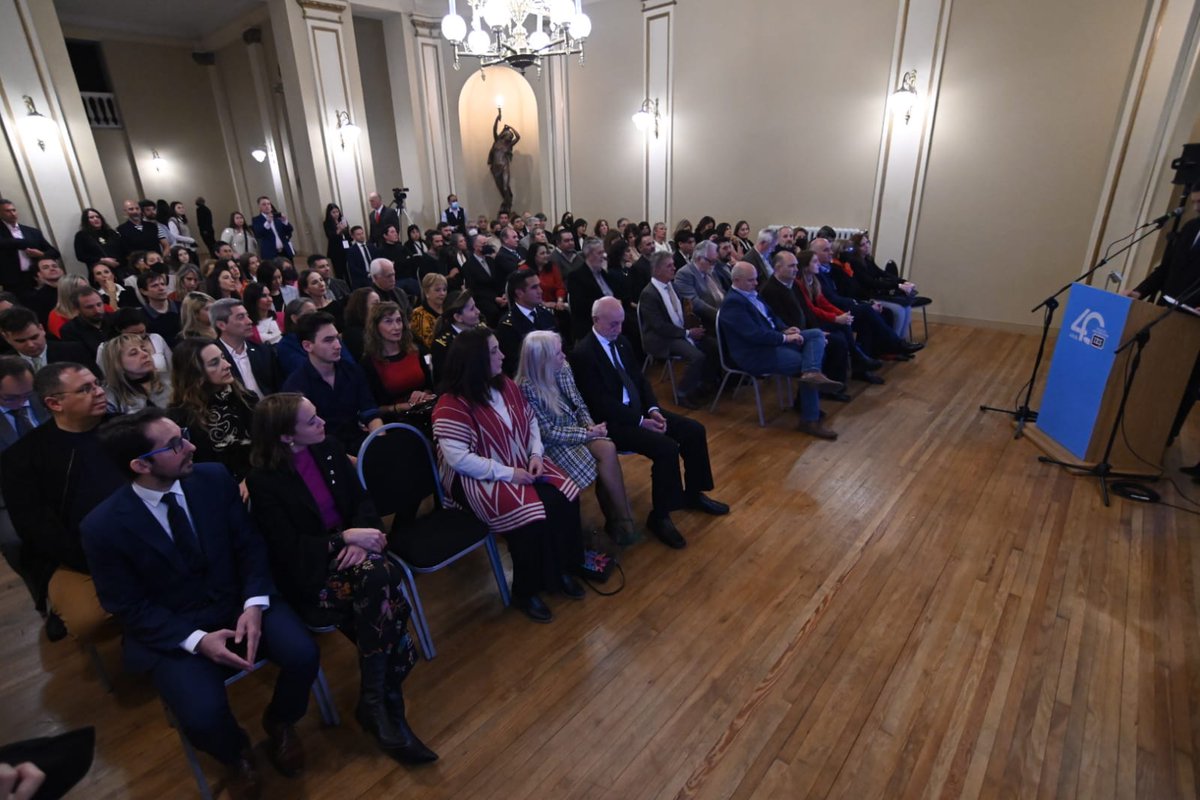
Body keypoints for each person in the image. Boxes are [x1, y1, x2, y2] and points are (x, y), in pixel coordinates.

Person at [81, 408, 320, 798]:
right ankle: (236, 753)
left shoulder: (212, 478)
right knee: (202, 714)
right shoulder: (102, 528)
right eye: (175, 445)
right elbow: (127, 606)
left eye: (184, 434)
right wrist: (195, 640)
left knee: (303, 654)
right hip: (175, 627)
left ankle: (280, 721)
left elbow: (249, 545)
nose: (191, 446)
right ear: (140, 465)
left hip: (239, 601)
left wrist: (254, 603)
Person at [245, 394, 436, 762]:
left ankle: (378, 702)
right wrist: (343, 539)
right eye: (312, 421)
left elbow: (361, 501)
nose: (323, 424)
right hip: (312, 572)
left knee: (375, 577)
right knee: (383, 581)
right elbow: (287, 550)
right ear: (287, 436)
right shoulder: (264, 480)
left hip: (357, 555)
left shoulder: (328, 449)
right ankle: (381, 700)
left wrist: (362, 533)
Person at [433, 328, 583, 622]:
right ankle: (525, 591)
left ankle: (560, 569)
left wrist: (536, 455)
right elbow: (460, 459)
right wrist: (509, 474)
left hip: (519, 460)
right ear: (474, 360)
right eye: (493, 351)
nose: (502, 355)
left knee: (565, 496)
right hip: (477, 476)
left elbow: (531, 423)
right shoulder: (451, 404)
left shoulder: (506, 386)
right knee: (527, 516)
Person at [570, 297, 728, 549]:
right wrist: (641, 421)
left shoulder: (621, 341)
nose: (619, 329)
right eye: (613, 324)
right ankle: (661, 516)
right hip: (612, 423)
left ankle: (693, 493)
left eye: (621, 323)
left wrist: (653, 409)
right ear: (595, 321)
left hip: (639, 411)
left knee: (693, 430)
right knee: (666, 448)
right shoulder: (583, 353)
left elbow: (640, 381)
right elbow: (600, 403)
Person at [1, 362, 123, 631]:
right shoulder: (21, 458)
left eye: (97, 384)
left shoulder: (123, 428)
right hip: (79, 555)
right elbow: (38, 529)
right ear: (55, 404)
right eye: (85, 389)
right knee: (88, 619)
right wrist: (98, 559)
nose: (99, 392)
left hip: (142, 535)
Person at [517, 331, 638, 544]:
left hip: (577, 429)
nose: (564, 355)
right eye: (557, 353)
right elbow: (548, 433)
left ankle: (622, 517)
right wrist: (588, 433)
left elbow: (579, 403)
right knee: (602, 457)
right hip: (553, 445)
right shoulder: (526, 388)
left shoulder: (563, 368)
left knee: (607, 449)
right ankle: (614, 522)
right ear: (542, 359)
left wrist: (590, 425)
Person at [719, 263, 842, 439]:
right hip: (754, 354)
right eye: (751, 280)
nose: (756, 283)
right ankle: (810, 419)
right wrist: (784, 338)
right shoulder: (733, 303)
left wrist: (785, 329)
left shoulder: (751, 294)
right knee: (804, 363)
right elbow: (754, 335)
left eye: (756, 278)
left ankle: (812, 375)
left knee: (816, 335)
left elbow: (771, 317)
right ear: (736, 280)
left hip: (771, 342)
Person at [759, 249, 858, 394]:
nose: (796, 270)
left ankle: (833, 385)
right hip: (791, 334)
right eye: (791, 266)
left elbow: (807, 312)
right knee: (836, 343)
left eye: (796, 265)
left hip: (805, 331)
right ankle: (827, 389)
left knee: (838, 336)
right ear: (778, 268)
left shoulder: (793, 284)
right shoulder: (769, 290)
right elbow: (781, 321)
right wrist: (813, 333)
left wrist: (817, 330)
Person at [281, 312, 381, 453]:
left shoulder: (352, 371)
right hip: (323, 453)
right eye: (328, 340)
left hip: (360, 443)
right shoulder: (295, 386)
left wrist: (379, 439)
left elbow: (369, 410)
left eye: (337, 338)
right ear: (308, 346)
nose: (337, 345)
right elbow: (306, 438)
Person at [169, 337, 258, 485]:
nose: (227, 365)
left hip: (258, 478)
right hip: (218, 487)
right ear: (195, 373)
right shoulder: (180, 417)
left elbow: (267, 446)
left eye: (223, 358)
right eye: (214, 363)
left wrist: (251, 479)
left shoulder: (247, 399)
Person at [638, 251, 718, 409]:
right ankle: (683, 393)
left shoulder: (672, 286)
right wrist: (687, 333)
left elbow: (682, 311)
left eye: (673, 264)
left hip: (678, 332)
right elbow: (659, 326)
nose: (674, 268)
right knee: (696, 356)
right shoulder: (649, 294)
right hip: (661, 338)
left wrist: (692, 325)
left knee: (713, 346)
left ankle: (704, 385)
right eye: (669, 266)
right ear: (658, 270)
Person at [0, 357, 48, 595]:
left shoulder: (43, 399)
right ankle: (40, 593)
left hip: (55, 478)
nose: (21, 403)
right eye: (10, 399)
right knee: (13, 542)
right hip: (7, 494)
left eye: (27, 394)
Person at [361, 302, 435, 429]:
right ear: (376, 327)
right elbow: (372, 407)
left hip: (426, 410)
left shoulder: (416, 350)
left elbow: (430, 384)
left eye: (398, 321)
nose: (396, 327)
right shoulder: (369, 362)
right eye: (388, 322)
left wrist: (424, 394)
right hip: (396, 421)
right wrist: (400, 407)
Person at [212, 298, 282, 398]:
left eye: (247, 316)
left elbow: (278, 388)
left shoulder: (263, 351)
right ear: (221, 325)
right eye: (240, 317)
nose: (249, 321)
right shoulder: (213, 357)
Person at [0, 307, 96, 374]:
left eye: (34, 337)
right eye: (21, 341)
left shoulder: (74, 351)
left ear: (41, 329)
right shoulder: (3, 365)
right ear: (6, 338)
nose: (30, 345)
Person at [496, 268, 556, 375]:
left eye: (539, 286)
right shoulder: (508, 325)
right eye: (534, 287)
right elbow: (514, 364)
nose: (540, 291)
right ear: (519, 293)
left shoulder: (546, 314)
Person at [99, 333, 172, 413]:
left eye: (144, 349)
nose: (145, 354)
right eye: (134, 353)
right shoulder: (110, 397)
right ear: (117, 364)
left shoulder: (170, 381)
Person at [0, 198, 60, 292]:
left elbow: (55, 253)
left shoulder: (32, 232)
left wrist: (41, 254)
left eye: (14, 210)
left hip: (36, 277)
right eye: (7, 211)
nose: (12, 214)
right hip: (12, 281)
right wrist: (24, 242)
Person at [566, 239, 618, 340]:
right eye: (600, 253)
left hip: (612, 321)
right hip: (592, 325)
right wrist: (606, 306)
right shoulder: (576, 277)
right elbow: (580, 307)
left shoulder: (604, 274)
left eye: (603, 252)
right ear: (589, 254)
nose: (604, 256)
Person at [430, 290, 483, 380]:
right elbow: (446, 381)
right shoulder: (443, 346)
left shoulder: (481, 332)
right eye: (472, 308)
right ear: (458, 317)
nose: (478, 311)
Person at [59, 286, 110, 355]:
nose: (97, 310)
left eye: (99, 304)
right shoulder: (70, 330)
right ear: (77, 309)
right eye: (89, 307)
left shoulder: (115, 320)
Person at [488, 111, 521, 213]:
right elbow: (494, 129)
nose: (510, 137)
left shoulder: (509, 145)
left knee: (506, 187)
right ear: (504, 135)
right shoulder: (497, 141)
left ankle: (508, 203)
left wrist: (511, 127)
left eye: (511, 137)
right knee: (501, 188)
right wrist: (497, 118)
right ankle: (506, 205)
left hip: (504, 167)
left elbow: (518, 137)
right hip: (495, 168)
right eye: (509, 135)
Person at [73, 208, 122, 273]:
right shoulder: (81, 235)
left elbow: (122, 248)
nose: (96, 219)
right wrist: (102, 260)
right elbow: (81, 256)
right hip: (99, 271)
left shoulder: (111, 232)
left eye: (97, 217)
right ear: (86, 220)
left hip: (120, 269)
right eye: (91, 217)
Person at [20, 256, 64, 325]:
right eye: (45, 267)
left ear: (62, 271)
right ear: (39, 274)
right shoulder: (35, 298)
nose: (52, 268)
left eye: (55, 266)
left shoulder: (74, 288)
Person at [340, 287, 379, 363]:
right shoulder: (353, 334)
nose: (380, 307)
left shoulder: (375, 326)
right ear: (362, 307)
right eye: (375, 304)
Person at [411, 273, 447, 350]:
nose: (442, 293)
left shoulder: (449, 309)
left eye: (444, 290)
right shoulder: (419, 314)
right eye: (437, 290)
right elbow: (430, 343)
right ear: (426, 292)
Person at [322, 203, 350, 281]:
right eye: (333, 212)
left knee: (348, 270)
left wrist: (346, 230)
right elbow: (330, 236)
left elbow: (348, 235)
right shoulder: (327, 223)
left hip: (346, 247)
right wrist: (339, 230)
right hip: (336, 250)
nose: (336, 214)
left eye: (337, 212)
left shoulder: (343, 220)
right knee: (339, 271)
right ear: (329, 213)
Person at [345, 225, 375, 289]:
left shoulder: (371, 246)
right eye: (358, 234)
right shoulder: (351, 251)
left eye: (362, 233)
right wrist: (367, 274)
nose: (361, 236)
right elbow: (353, 267)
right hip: (362, 277)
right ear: (353, 236)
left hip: (375, 274)